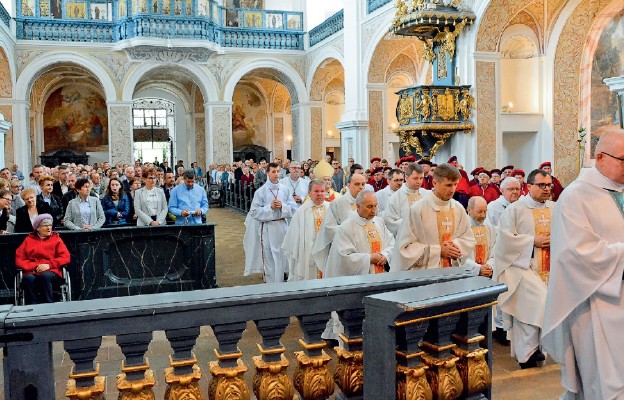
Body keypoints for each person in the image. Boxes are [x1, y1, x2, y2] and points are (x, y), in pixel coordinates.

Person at [542, 129, 624, 399]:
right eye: (623, 160)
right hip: (595, 302)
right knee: (604, 384)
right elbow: (576, 253)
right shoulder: (576, 196)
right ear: (600, 157)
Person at [493, 169, 554, 369]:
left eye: (549, 185)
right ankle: (526, 355)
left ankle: (539, 351)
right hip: (523, 269)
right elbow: (504, 240)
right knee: (529, 312)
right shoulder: (515, 209)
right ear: (529, 186)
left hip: (550, 268)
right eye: (542, 185)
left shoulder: (554, 208)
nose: (547, 189)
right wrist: (532, 241)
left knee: (546, 309)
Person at [390, 163, 475, 271]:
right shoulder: (418, 209)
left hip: (453, 273)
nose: (453, 189)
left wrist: (454, 247)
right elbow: (405, 248)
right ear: (435, 183)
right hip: (426, 276)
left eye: (455, 184)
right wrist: (438, 251)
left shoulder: (458, 208)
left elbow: (468, 239)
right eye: (448, 185)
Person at [243, 162, 297, 283]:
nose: (276, 174)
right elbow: (254, 212)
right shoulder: (260, 192)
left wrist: (283, 206)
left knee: (281, 257)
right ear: (267, 173)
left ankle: (281, 284)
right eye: (273, 172)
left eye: (278, 171)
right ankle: (271, 286)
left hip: (282, 227)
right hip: (267, 228)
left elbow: (294, 209)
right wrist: (269, 208)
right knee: (269, 259)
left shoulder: (285, 190)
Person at [324, 190, 394, 277]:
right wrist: (369, 258)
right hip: (360, 281)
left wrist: (385, 255)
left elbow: (391, 243)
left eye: (375, 206)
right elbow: (343, 258)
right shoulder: (346, 227)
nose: (374, 211)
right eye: (369, 207)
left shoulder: (379, 222)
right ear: (358, 206)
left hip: (383, 275)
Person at [312, 173, 367, 275]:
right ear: (348, 185)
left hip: (364, 251)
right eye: (357, 184)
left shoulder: (368, 202)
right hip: (344, 252)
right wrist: (351, 230)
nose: (361, 187)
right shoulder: (338, 203)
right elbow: (329, 228)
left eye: (363, 184)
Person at [15, 214, 70, 304]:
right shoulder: (28, 240)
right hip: (32, 271)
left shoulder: (56, 239)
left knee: (45, 276)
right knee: (28, 279)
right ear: (38, 228)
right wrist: (35, 266)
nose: (49, 228)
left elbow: (65, 257)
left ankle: (48, 304)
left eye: (50, 225)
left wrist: (49, 265)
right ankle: (34, 305)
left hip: (52, 271)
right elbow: (19, 259)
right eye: (45, 226)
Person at [282, 179, 329, 281]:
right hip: (309, 253)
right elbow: (293, 237)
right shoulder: (302, 211)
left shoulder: (330, 208)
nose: (320, 194)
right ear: (309, 193)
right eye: (316, 191)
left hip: (327, 252)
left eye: (322, 191)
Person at [383, 162, 428, 236]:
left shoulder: (426, 194)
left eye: (421, 178)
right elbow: (390, 223)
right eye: (415, 178)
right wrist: (412, 223)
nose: (419, 182)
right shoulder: (396, 197)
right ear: (406, 178)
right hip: (404, 238)